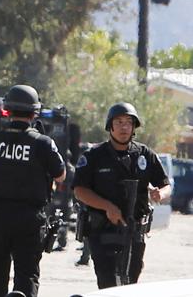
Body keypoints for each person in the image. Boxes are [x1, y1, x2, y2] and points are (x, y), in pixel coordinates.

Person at [0, 85, 66, 297]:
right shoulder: (43, 143)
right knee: (26, 274)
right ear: (34, 112)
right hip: (29, 218)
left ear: (6, 110)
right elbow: (61, 176)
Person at [72, 102, 171, 289]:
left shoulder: (144, 154)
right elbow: (79, 190)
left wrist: (160, 193)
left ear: (134, 127)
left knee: (131, 284)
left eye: (128, 122)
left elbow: (165, 185)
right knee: (108, 283)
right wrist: (107, 207)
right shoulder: (94, 155)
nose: (124, 127)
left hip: (134, 232)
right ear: (110, 126)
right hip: (103, 231)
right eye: (119, 122)